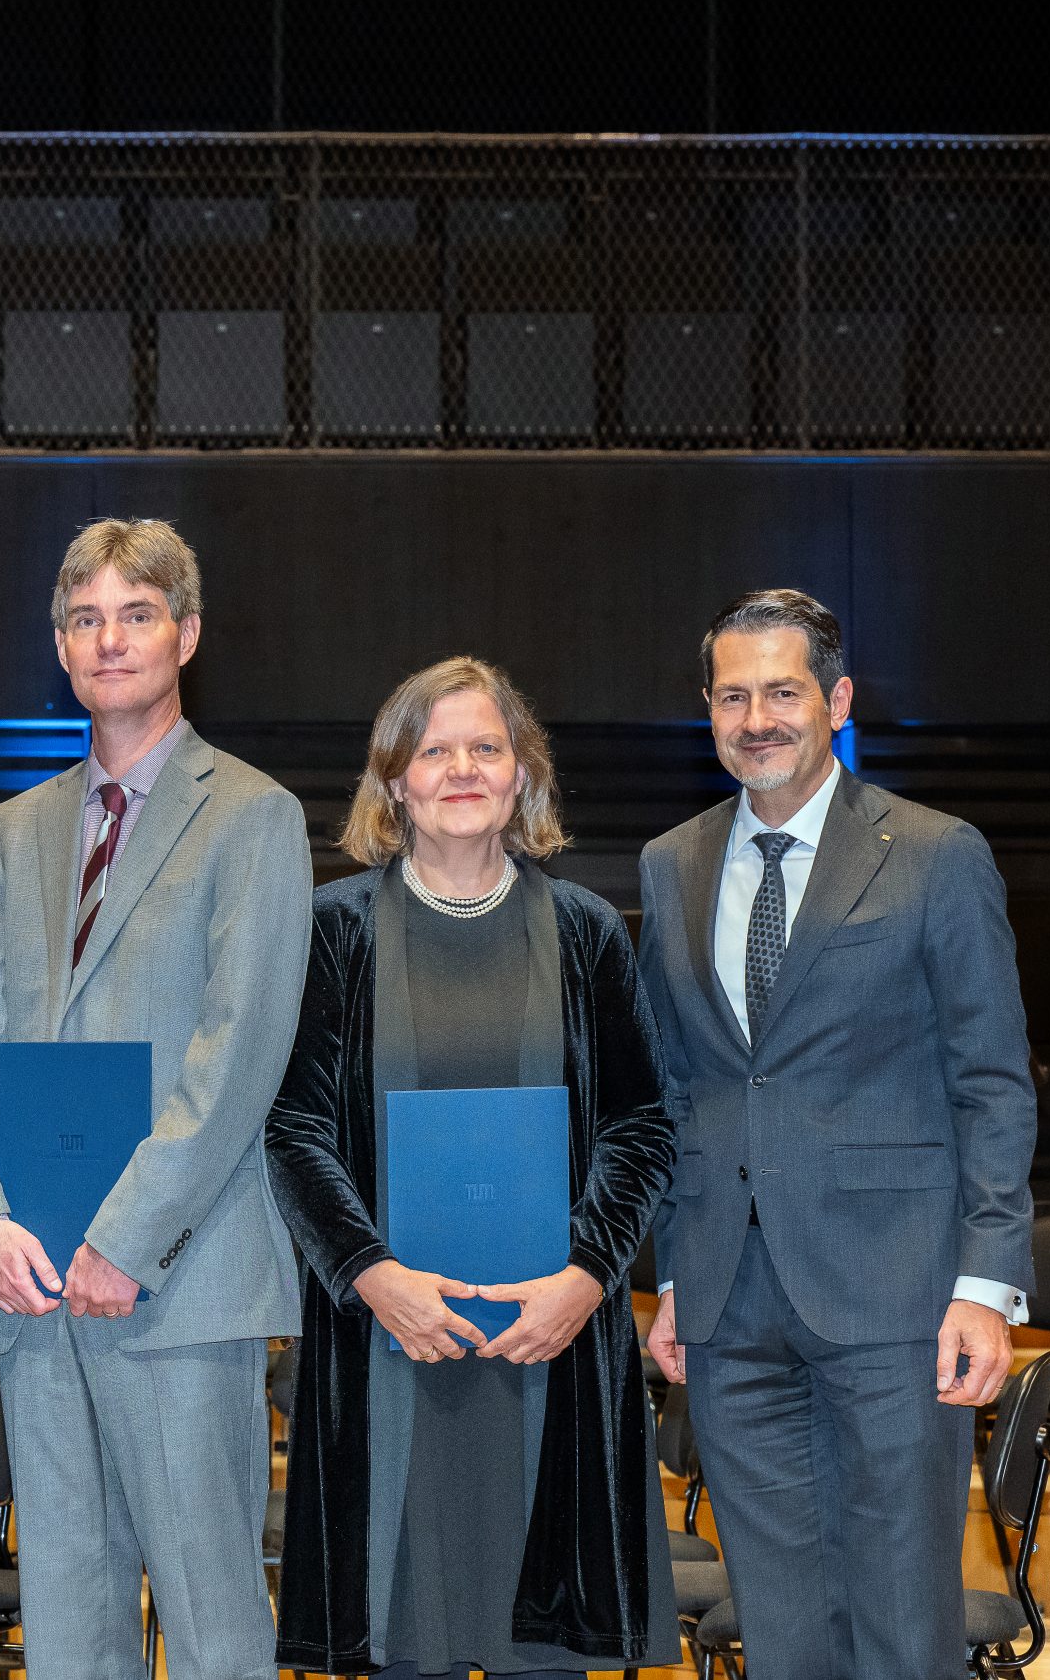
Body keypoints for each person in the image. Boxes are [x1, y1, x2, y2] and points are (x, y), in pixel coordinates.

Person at [640, 589, 1036, 1679]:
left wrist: (985, 1284)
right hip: (727, 1298)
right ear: (707, 710)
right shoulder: (667, 863)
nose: (756, 717)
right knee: (777, 1623)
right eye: (732, 695)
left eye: (782, 691)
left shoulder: (934, 853)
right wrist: (674, 1278)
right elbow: (678, 1092)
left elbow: (992, 1083)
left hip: (896, 1294)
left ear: (837, 700)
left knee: (902, 1618)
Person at [262, 656, 679, 1678]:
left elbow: (640, 1124)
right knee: (405, 1639)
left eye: (484, 748)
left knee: (543, 1645)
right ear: (393, 779)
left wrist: (586, 1278)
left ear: (521, 774)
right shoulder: (333, 931)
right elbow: (292, 1125)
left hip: (550, 1344)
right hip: (389, 1344)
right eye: (433, 750)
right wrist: (373, 1274)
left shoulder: (584, 929)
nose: (460, 768)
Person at [0, 519, 311, 1680]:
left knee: (209, 1625)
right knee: (67, 1619)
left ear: (186, 634)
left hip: (179, 1281)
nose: (111, 639)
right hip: (35, 1282)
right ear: (60, 647)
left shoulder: (253, 816)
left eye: (136, 613)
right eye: (87, 619)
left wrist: (122, 1237)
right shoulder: (17, 830)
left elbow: (237, 1055)